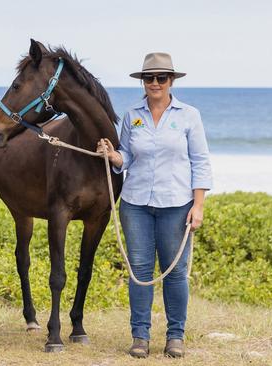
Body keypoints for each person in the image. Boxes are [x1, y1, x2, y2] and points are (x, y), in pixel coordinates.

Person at [97, 52, 212, 358]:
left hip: (177, 205)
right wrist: (112, 155)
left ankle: (176, 336)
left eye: (162, 77)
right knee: (140, 272)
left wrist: (198, 205)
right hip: (135, 204)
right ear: (143, 82)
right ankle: (140, 337)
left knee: (175, 274)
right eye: (150, 78)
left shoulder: (189, 115)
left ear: (171, 81)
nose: (155, 83)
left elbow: (201, 163)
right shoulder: (132, 114)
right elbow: (126, 158)